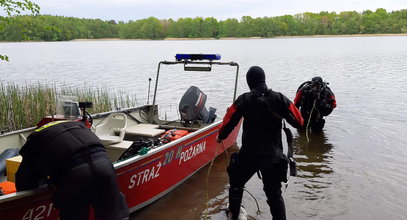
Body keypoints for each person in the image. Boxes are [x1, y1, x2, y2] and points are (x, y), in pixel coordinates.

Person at [217, 66, 304, 220]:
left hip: (249, 156)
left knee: (236, 183)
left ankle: (234, 214)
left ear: (249, 82)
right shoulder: (279, 99)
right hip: (273, 157)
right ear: (264, 80)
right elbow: (299, 121)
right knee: (274, 195)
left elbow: (228, 122)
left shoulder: (244, 100)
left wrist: (221, 137)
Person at [15, 120, 129, 220]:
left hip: (75, 174)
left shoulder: (35, 139)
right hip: (105, 165)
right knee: (115, 213)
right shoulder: (79, 126)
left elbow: (24, 179)